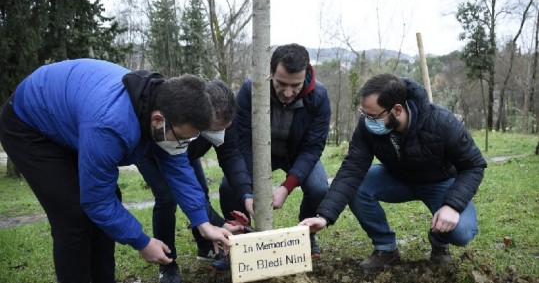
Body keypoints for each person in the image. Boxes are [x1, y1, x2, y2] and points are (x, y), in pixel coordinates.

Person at [0, 59, 232, 283]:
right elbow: (96, 201)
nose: (185, 144)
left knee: (110, 204)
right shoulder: (110, 125)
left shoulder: (164, 104)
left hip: (73, 120)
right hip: (30, 124)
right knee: (73, 214)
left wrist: (203, 222)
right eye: (183, 138)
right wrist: (142, 242)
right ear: (158, 119)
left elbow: (177, 167)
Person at [300, 73, 487, 270]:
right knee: (357, 185)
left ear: (397, 109)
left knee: (462, 232)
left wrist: (453, 206)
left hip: (440, 182)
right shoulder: (367, 127)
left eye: (372, 116)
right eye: (363, 114)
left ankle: (439, 240)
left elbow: (474, 165)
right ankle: (385, 248)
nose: (367, 121)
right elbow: (351, 170)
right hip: (397, 178)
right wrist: (324, 216)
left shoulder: (442, 122)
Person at [219, 43, 331, 257]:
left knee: (318, 188)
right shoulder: (250, 89)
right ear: (270, 72)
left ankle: (306, 234)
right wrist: (247, 193)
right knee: (228, 186)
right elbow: (242, 140)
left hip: (297, 154)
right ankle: (239, 239)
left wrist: (286, 187)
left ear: (306, 74)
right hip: (257, 151)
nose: (288, 92)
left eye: (295, 85)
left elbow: (313, 148)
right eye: (281, 83)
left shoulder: (319, 97)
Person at [135, 80, 251, 283]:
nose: (218, 134)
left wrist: (246, 193)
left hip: (185, 154)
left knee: (201, 191)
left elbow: (231, 155)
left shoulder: (225, 119)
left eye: (223, 128)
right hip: (154, 153)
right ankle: (167, 263)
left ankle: (205, 245)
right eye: (214, 129)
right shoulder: (184, 113)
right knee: (167, 198)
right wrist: (218, 222)